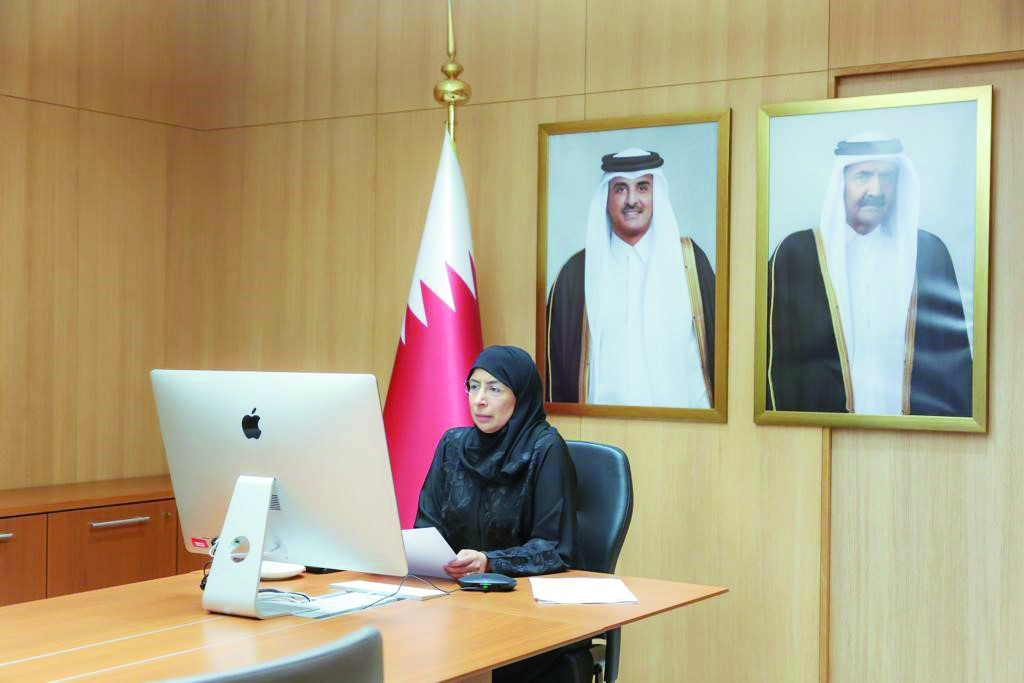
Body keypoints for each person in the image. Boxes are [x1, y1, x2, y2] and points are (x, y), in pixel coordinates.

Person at [767, 132, 972, 416]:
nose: (877, 190)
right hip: (824, 439)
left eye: (887, 177)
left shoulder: (928, 255)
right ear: (841, 183)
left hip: (913, 440)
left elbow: (953, 367)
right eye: (863, 176)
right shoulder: (795, 257)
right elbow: (778, 366)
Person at [415, 345, 587, 682]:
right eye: (474, 386)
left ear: (520, 396)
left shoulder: (545, 448)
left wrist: (489, 561)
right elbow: (427, 526)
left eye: (494, 389)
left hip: (524, 612)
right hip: (455, 601)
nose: (479, 399)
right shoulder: (452, 444)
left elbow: (553, 548)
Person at [546, 148, 715, 409]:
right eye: (621, 189)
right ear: (606, 197)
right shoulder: (576, 273)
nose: (632, 200)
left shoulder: (689, 263)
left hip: (683, 430)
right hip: (600, 435)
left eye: (643, 188)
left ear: (656, 195)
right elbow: (557, 371)